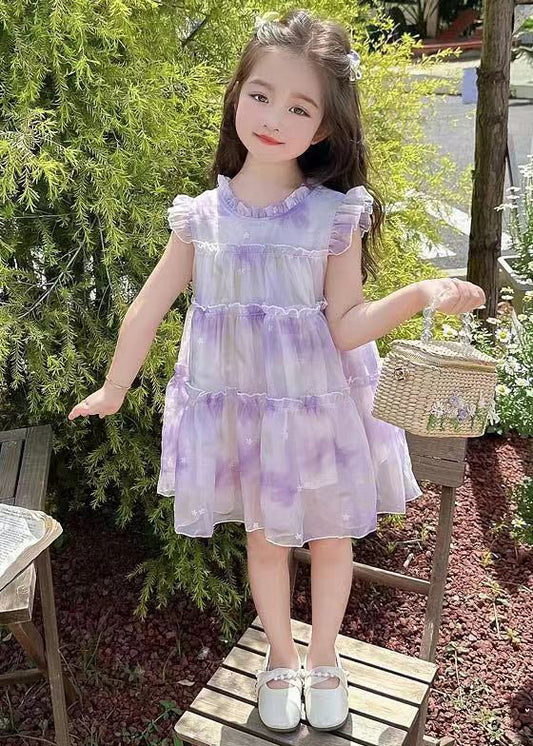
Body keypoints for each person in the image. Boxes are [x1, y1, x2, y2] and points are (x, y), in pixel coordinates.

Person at [67, 8, 485, 735]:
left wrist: (420, 293)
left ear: (322, 128)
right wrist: (114, 386)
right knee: (264, 540)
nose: (273, 118)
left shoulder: (332, 215)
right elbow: (149, 304)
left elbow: (347, 323)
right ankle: (281, 658)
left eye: (299, 107)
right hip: (244, 414)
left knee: (330, 539)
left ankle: (324, 657)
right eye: (260, 95)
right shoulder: (201, 217)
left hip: (316, 410)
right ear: (236, 95)